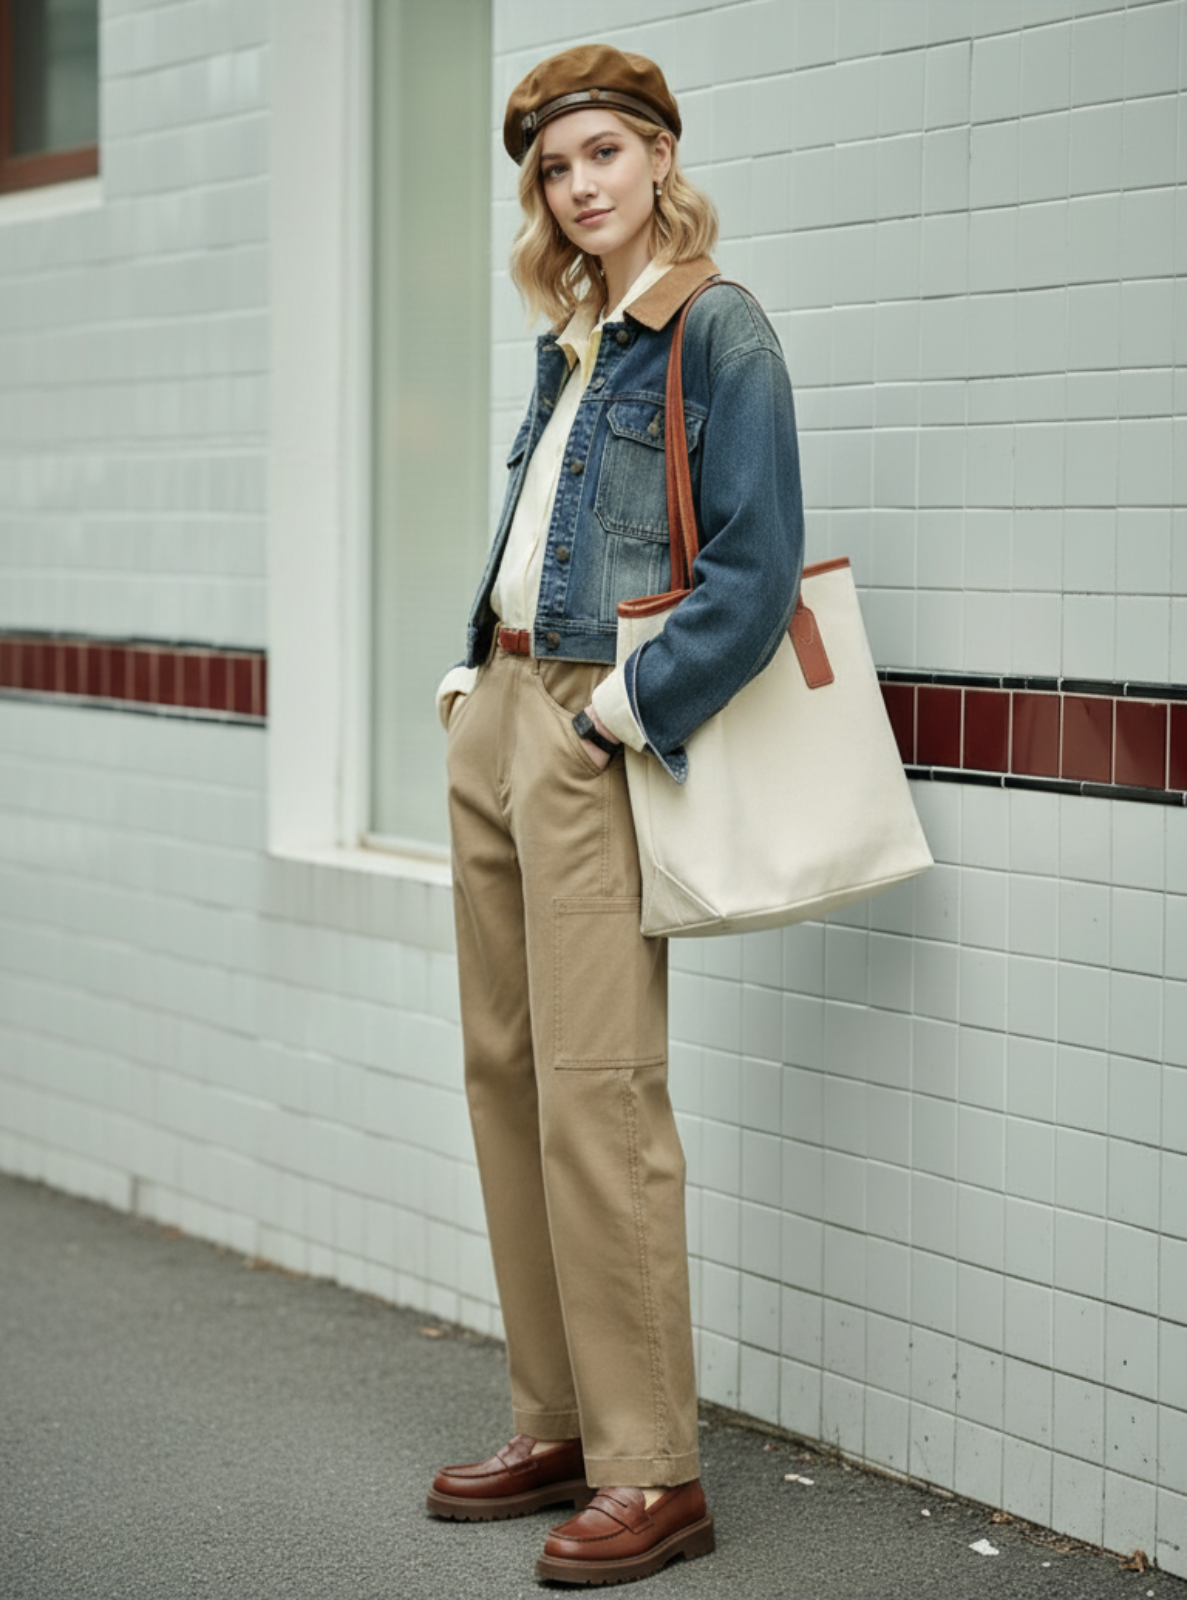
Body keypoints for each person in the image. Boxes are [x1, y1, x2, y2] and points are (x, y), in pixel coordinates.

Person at [429, 43, 804, 1587]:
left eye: (600, 153)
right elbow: (539, 530)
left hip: (591, 725)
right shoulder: (572, 334)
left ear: (657, 156)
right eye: (551, 169)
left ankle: (653, 1470)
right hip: (503, 716)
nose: (577, 186)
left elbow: (754, 570)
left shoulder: (712, 329)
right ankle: (560, 1417)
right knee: (506, 1075)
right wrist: (472, 678)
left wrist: (615, 712)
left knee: (598, 1092)